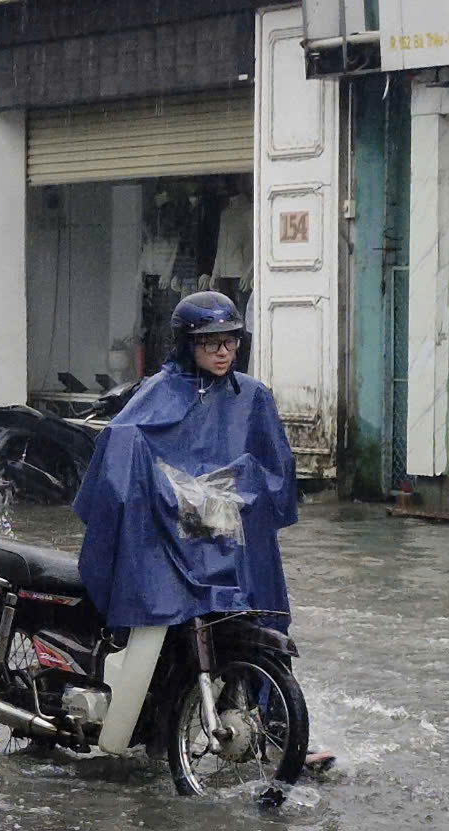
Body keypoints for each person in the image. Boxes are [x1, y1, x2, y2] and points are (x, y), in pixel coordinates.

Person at [73, 291, 331, 770]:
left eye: (230, 342)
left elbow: (276, 472)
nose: (222, 352)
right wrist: (169, 492)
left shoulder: (252, 397)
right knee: (161, 620)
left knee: (260, 620)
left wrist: (231, 490)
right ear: (187, 345)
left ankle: (274, 731)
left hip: (230, 540)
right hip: (172, 541)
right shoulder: (159, 391)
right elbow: (121, 450)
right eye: (210, 342)